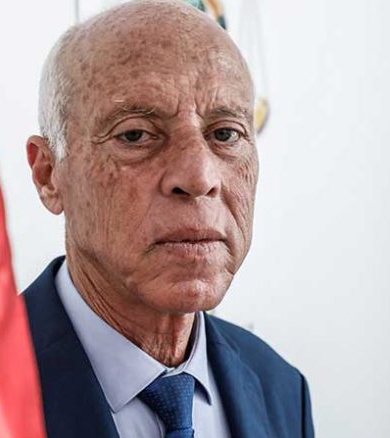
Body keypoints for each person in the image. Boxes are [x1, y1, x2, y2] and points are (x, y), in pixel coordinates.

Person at [22, 1, 314, 436]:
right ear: (48, 175)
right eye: (136, 135)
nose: (198, 177)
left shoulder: (281, 388)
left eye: (225, 134)